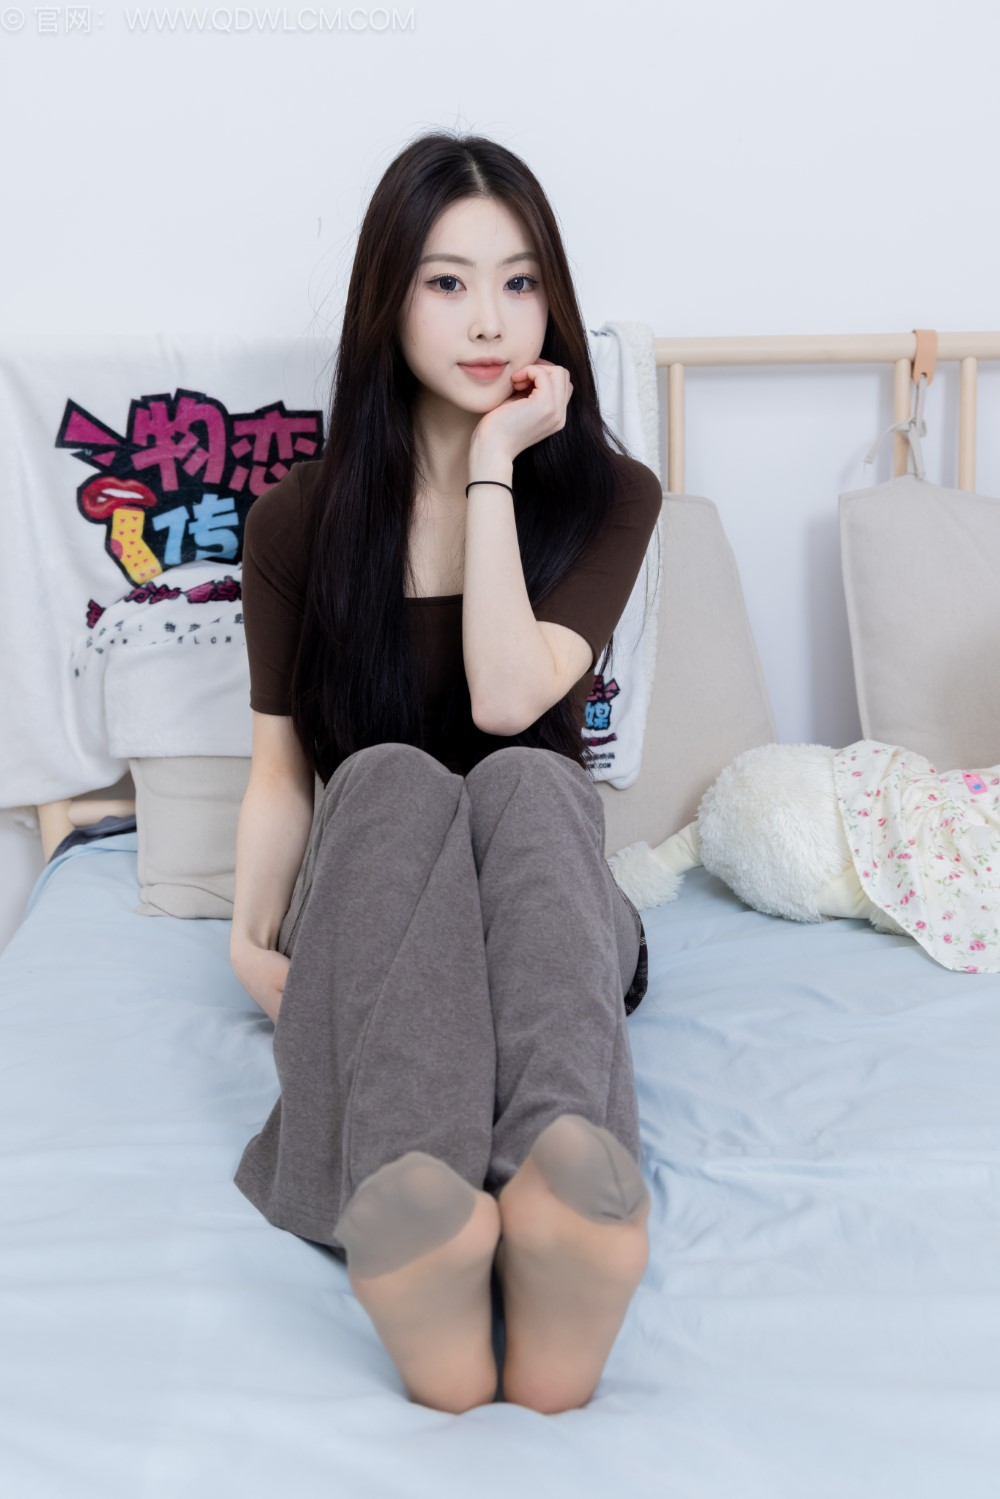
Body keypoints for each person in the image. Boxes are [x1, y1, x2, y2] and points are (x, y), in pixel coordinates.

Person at [229, 130, 663, 1417]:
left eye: (519, 282)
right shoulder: (299, 521)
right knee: (387, 780)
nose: (489, 319)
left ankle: (563, 1197)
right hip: (381, 891)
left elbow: (508, 701)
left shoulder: (607, 494)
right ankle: (415, 1212)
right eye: (447, 281)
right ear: (389, 299)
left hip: (547, 891)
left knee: (527, 783)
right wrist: (247, 935)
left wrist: (489, 465)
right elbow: (281, 772)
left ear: (553, 303)